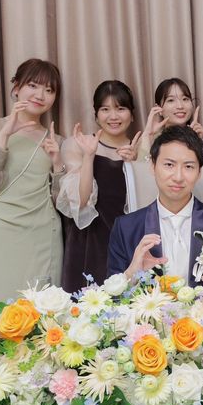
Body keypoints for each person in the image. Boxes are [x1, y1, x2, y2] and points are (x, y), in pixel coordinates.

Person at [108, 125, 203, 295]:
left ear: (199, 173)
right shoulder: (126, 227)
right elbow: (109, 300)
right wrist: (131, 275)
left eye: (188, 167)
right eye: (169, 165)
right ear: (152, 166)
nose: (178, 177)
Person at [0, 59, 64, 307]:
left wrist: (58, 164)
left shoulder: (56, 140)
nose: (40, 95)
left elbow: (62, 202)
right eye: (33, 85)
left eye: (49, 90)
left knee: (39, 314)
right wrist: (4, 136)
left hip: (42, 235)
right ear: (16, 87)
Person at [57, 80, 141, 291]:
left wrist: (134, 165)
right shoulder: (78, 145)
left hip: (128, 242)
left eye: (120, 108)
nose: (113, 116)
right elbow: (81, 201)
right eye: (105, 109)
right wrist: (89, 156)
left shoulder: (142, 149)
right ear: (96, 115)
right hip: (89, 242)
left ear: (132, 115)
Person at [138, 78, 203, 160]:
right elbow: (142, 167)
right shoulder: (149, 139)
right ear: (158, 108)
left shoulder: (197, 133)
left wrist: (197, 141)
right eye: (171, 100)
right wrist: (147, 137)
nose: (180, 106)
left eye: (185, 99)